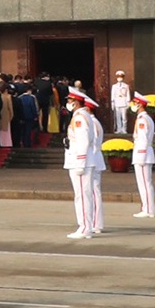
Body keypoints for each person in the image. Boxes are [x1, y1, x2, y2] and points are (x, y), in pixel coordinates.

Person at [62, 89, 104, 239]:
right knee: (82, 195)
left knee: (83, 195)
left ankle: (85, 227)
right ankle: (85, 226)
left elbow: (83, 140)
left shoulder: (80, 117)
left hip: (81, 161)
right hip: (81, 160)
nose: (68, 103)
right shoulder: (81, 116)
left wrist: (80, 161)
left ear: (76, 102)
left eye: (70, 100)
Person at [128, 95, 155, 218]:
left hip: (142, 153)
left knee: (144, 183)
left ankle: (148, 209)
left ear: (140, 104)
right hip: (144, 152)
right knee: (145, 182)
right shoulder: (145, 118)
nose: (133, 105)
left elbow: (143, 139)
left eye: (135, 103)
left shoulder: (142, 120)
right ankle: (146, 207)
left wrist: (141, 155)